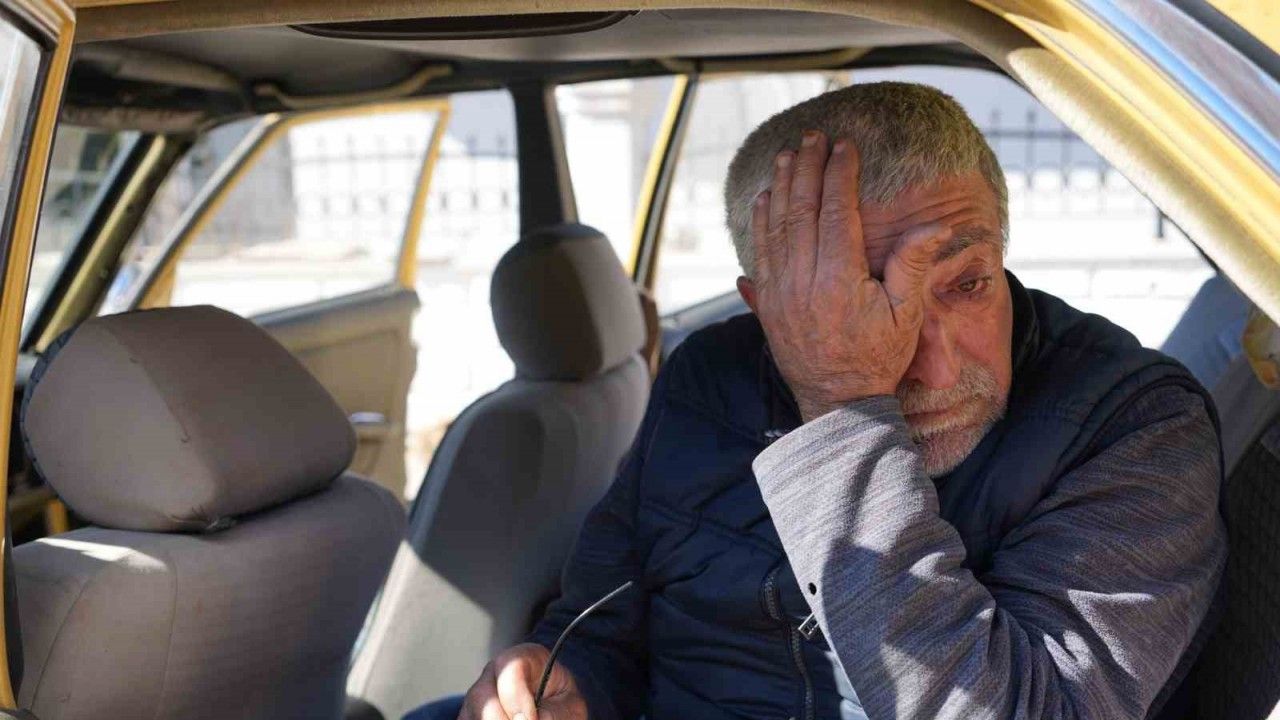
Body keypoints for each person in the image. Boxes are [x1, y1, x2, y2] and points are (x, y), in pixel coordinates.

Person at [411, 81, 1226, 720]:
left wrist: (843, 402)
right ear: (766, 306)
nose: (935, 366)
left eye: (968, 283)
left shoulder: (1132, 426)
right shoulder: (707, 379)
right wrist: (570, 685)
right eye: (855, 306)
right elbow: (602, 622)